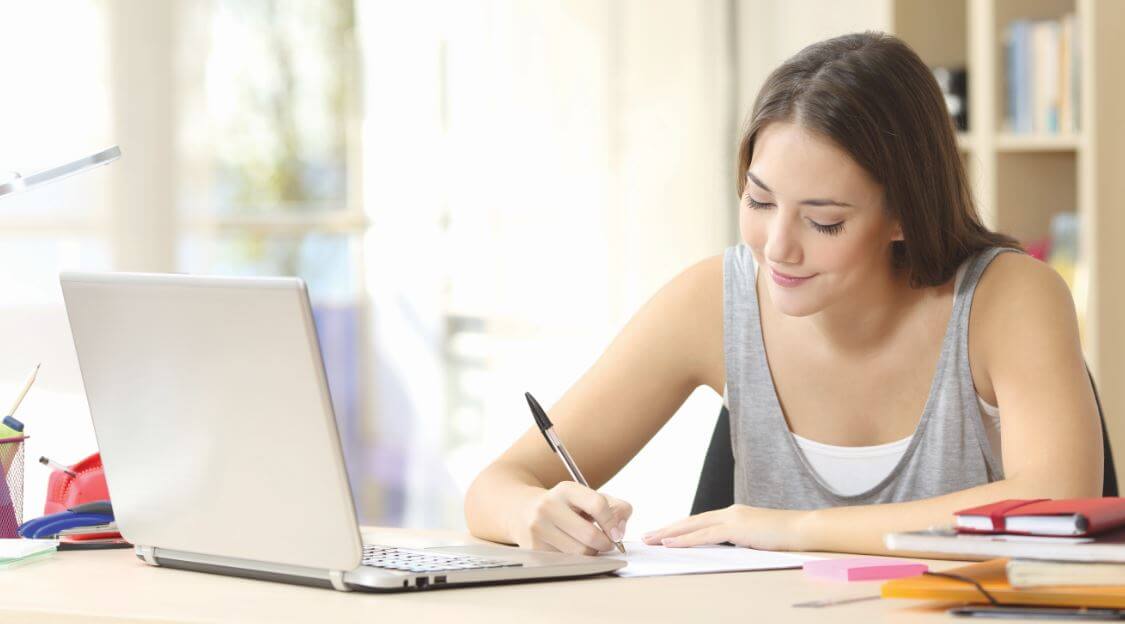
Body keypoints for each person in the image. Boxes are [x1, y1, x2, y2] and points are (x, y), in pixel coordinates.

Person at [463, 32, 1103, 556]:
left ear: (906, 213)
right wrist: (534, 515)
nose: (776, 247)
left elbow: (1056, 497)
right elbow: (495, 485)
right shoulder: (714, 300)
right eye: (759, 201)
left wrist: (794, 529)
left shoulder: (1007, 297)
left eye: (824, 221)